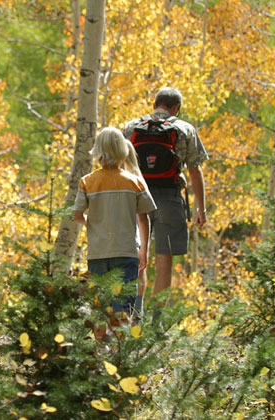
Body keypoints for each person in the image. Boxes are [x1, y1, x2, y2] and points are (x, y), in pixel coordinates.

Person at [123, 87, 208, 313]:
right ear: (176, 108)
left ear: (155, 104)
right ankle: (157, 321)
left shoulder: (131, 128)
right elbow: (194, 170)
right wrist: (201, 208)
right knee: (164, 259)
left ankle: (135, 315)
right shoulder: (185, 129)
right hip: (168, 199)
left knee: (138, 255)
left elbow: (120, 167)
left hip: (135, 197)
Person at [73, 127, 157, 316]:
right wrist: (144, 249)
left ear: (97, 151)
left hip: (98, 253)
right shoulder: (135, 182)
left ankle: (102, 345)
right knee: (123, 304)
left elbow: (77, 215)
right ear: (123, 150)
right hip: (126, 252)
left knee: (100, 305)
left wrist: (92, 223)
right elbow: (144, 218)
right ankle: (119, 342)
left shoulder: (87, 181)